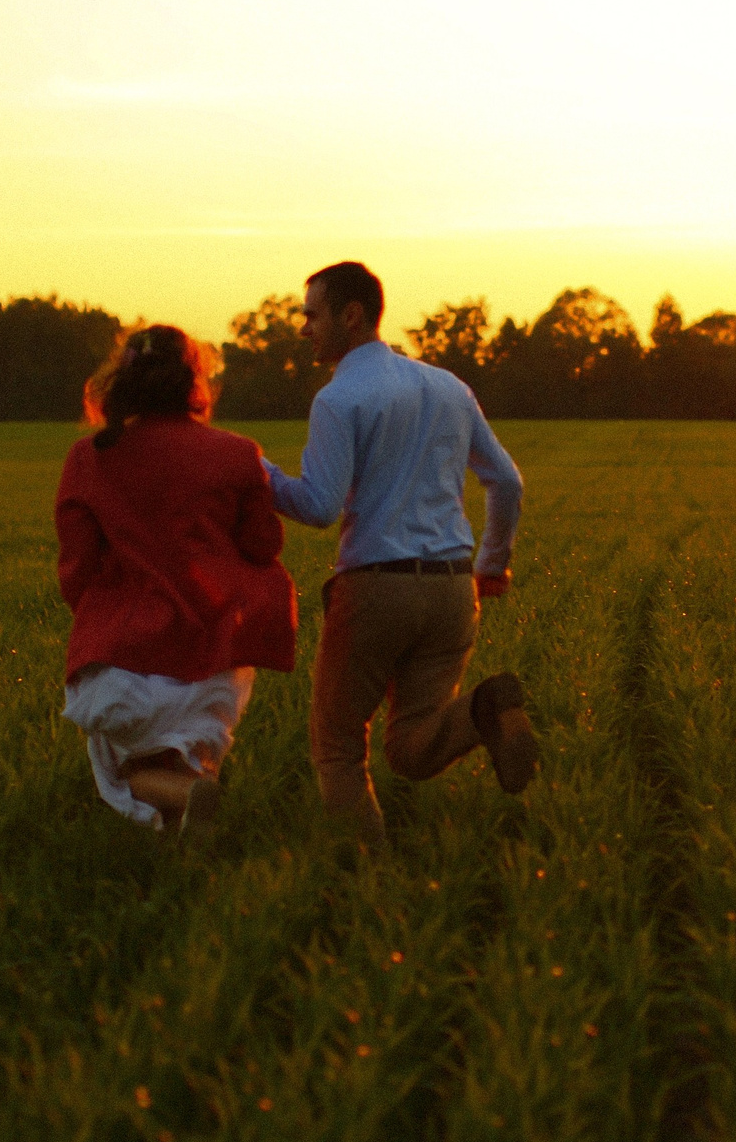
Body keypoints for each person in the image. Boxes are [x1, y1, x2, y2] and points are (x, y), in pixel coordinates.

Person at [265, 261, 538, 845]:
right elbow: (507, 483)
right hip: (452, 589)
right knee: (413, 745)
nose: (304, 327)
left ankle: (367, 876)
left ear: (352, 315)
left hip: (376, 587)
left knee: (337, 743)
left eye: (312, 314)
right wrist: (492, 565)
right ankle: (489, 709)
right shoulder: (447, 386)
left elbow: (317, 507)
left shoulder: (340, 398)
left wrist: (255, 472)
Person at [55, 326, 297, 832]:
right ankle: (188, 820)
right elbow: (262, 546)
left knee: (131, 768)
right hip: (214, 662)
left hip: (126, 663)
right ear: (196, 380)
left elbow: (76, 569)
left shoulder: (89, 457)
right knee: (181, 761)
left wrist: (102, 617)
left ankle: (185, 798)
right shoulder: (237, 453)